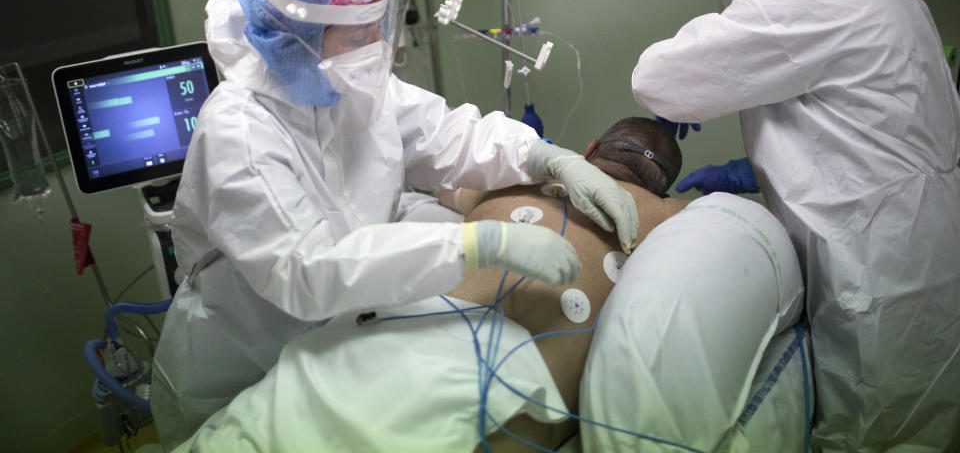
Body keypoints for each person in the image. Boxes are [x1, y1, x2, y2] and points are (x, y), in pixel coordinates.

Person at [150, 0, 641, 450]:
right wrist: (477, 247)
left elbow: (450, 135)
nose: (375, 49)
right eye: (355, 36)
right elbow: (305, 270)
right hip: (246, 345)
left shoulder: (345, 82)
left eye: (375, 30)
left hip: (338, 332)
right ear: (297, 38)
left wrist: (545, 156)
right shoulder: (240, 132)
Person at [631, 0, 960, 452]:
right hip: (917, 239)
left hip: (881, 258)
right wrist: (751, 169)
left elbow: (660, 75)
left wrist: (676, 99)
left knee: (881, 431)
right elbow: (866, 124)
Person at [171, 116, 696, 452]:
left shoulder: (518, 185)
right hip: (496, 381)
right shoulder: (671, 217)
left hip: (392, 338)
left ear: (590, 147)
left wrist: (536, 173)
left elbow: (451, 189)